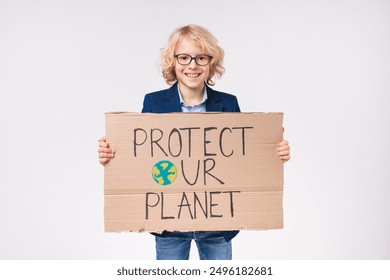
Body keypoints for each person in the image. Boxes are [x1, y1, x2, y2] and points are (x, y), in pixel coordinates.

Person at [98, 24, 290, 260]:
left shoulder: (229, 104)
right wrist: (113, 155)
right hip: (170, 225)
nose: (192, 65)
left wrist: (274, 153)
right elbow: (141, 156)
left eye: (201, 58)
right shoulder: (154, 103)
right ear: (173, 62)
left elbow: (244, 158)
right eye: (184, 57)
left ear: (211, 63)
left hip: (218, 225)